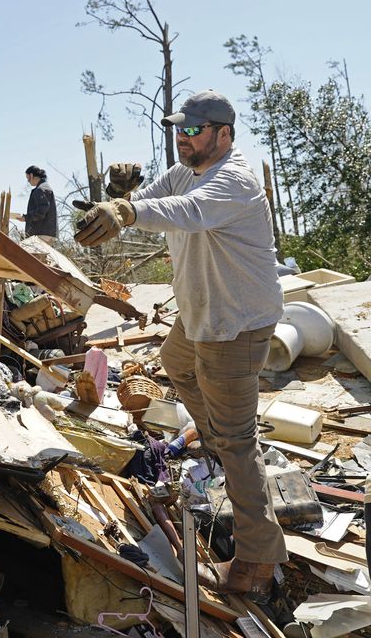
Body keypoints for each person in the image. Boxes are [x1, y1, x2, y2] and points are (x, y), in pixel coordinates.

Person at [74, 90, 287, 598]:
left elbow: (187, 213)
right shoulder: (184, 171)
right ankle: (215, 443)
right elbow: (158, 203)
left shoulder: (234, 180)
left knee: (239, 442)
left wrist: (126, 212)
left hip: (234, 325)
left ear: (224, 134)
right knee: (175, 363)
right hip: (200, 318)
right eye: (179, 129)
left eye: (193, 130)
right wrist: (124, 195)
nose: (183, 137)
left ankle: (258, 556)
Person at [21, 165, 58, 238]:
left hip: (41, 234)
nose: (28, 181)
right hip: (47, 233)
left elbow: (41, 211)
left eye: (27, 178)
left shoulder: (40, 189)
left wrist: (26, 218)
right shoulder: (45, 187)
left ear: (31, 175)